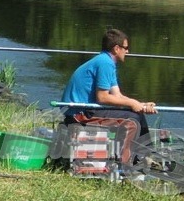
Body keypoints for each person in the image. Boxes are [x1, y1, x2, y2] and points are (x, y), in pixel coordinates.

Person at [61, 28, 157, 165]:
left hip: (88, 109)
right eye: (126, 47)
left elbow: (117, 95)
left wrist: (139, 104)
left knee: (138, 114)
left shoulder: (107, 62)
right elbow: (103, 98)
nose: (128, 51)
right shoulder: (104, 63)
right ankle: (127, 164)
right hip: (79, 113)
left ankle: (147, 156)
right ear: (116, 48)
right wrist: (132, 104)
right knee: (133, 119)